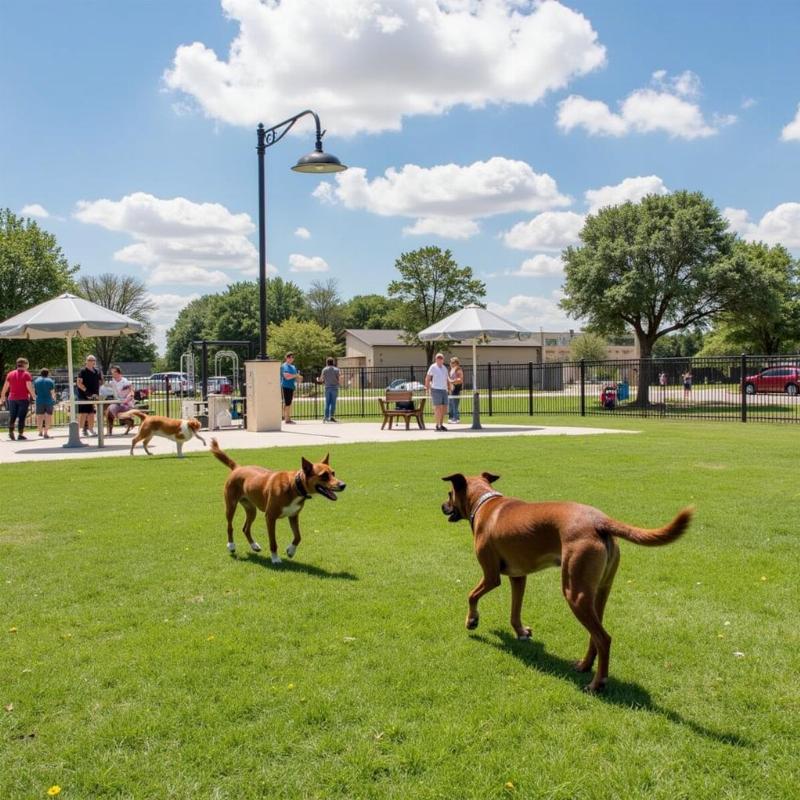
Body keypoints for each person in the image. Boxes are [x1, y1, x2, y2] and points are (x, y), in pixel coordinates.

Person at [1, 357, 36, 441]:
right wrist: (33, 395)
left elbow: (6, 386)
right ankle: (20, 434)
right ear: (25, 365)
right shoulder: (26, 374)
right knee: (21, 417)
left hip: (12, 398)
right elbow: (29, 386)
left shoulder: (10, 374)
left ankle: (10, 432)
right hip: (23, 398)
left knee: (12, 415)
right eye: (27, 365)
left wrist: (2, 395)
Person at [76, 354, 102, 436]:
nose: (92, 362)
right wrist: (87, 392)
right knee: (83, 413)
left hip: (94, 396)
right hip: (83, 395)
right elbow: (79, 383)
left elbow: (101, 381)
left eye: (93, 360)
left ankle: (91, 429)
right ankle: (80, 430)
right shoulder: (82, 371)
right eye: (90, 360)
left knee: (91, 413)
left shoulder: (97, 371)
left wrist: (98, 393)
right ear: (86, 361)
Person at [105, 365, 135, 435]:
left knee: (112, 409)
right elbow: (105, 388)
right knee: (109, 411)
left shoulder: (125, 381)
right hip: (117, 402)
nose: (113, 374)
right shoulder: (112, 382)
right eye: (112, 372)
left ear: (119, 373)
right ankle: (110, 431)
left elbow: (132, 391)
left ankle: (126, 420)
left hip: (127, 403)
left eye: (115, 372)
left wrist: (129, 396)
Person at [425, 352, 451, 431]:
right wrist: (427, 388)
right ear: (436, 359)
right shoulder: (433, 367)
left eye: (441, 358)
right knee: (438, 408)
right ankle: (438, 424)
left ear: (443, 360)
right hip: (436, 389)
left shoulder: (444, 368)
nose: (439, 359)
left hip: (444, 390)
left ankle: (441, 424)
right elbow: (428, 378)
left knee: (444, 408)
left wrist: (449, 387)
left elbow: (447, 379)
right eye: (438, 358)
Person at [33, 368, 56, 438]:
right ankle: (46, 433)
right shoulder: (50, 381)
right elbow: (52, 392)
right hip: (48, 401)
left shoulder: (36, 381)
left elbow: (34, 391)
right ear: (48, 373)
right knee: (48, 417)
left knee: (39, 416)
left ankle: (40, 431)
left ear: (41, 373)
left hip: (39, 400)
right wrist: (54, 399)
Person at [316, 356, 340, 423]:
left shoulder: (324, 369)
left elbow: (321, 379)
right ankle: (331, 416)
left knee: (327, 403)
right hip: (335, 388)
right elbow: (339, 379)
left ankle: (325, 417)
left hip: (327, 388)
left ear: (327, 363)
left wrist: (318, 379)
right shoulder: (336, 370)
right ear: (333, 362)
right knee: (333, 403)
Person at [280, 352, 302, 425]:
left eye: (292, 357)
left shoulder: (293, 367)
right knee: (287, 402)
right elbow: (286, 376)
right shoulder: (284, 366)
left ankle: (287, 417)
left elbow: (295, 378)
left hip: (292, 387)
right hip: (285, 386)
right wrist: (295, 375)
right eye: (290, 357)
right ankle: (287, 419)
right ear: (286, 358)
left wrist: (299, 378)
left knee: (289, 403)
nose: (291, 359)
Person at [448, 357, 464, 423]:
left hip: (456, 388)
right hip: (451, 389)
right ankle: (451, 418)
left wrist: (451, 381)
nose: (451, 364)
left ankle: (456, 418)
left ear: (456, 363)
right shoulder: (451, 369)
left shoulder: (458, 369)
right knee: (451, 404)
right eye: (450, 362)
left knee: (455, 404)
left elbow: (460, 380)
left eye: (452, 362)